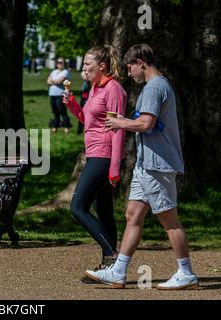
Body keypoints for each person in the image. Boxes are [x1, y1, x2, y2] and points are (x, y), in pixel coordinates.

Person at [87, 44, 199, 290]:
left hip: (156, 165)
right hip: (146, 164)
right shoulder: (158, 86)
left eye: (130, 68)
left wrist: (121, 122)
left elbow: (147, 123)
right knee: (133, 215)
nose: (129, 73)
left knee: (169, 220)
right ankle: (118, 271)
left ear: (141, 62)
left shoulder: (154, 88)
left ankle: (186, 272)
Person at [62, 45, 126, 273]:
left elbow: (117, 129)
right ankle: (110, 267)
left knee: (78, 207)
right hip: (94, 154)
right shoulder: (95, 88)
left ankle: (112, 254)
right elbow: (89, 121)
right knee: (105, 211)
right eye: (84, 65)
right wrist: (71, 105)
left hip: (104, 157)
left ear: (102, 66)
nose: (84, 69)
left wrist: (115, 167)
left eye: (88, 65)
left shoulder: (113, 89)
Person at [47, 58, 71, 133]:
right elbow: (48, 81)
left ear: (64, 64)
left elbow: (59, 81)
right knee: (55, 112)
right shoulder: (54, 71)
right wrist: (55, 81)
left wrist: (53, 81)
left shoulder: (66, 72)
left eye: (61, 62)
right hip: (52, 94)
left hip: (60, 94)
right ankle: (55, 127)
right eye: (58, 62)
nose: (59, 64)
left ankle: (66, 126)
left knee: (62, 111)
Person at [77, 71, 91, 135]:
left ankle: (88, 130)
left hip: (89, 97)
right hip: (84, 97)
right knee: (81, 114)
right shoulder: (86, 82)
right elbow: (83, 75)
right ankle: (79, 131)